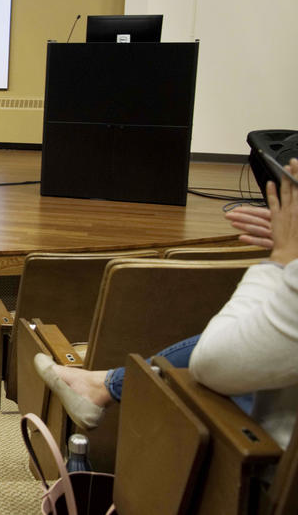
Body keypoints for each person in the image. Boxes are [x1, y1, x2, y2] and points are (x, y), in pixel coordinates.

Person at [35, 160, 298, 449]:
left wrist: (280, 263)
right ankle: (104, 385)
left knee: (208, 362)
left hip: (256, 462)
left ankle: (106, 386)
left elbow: (212, 360)